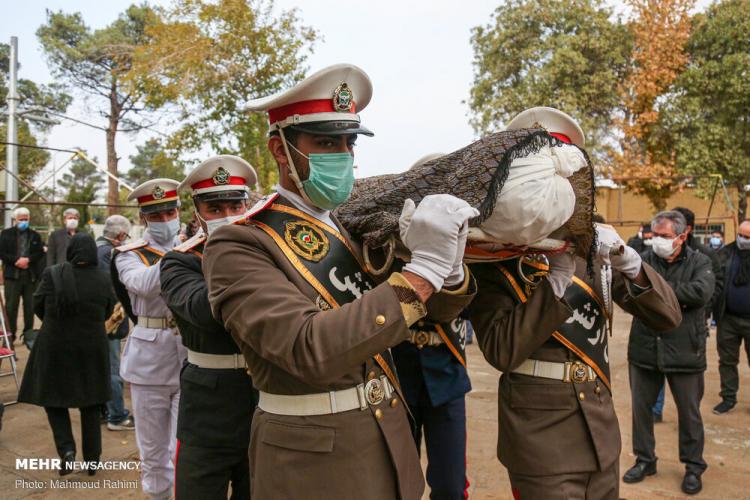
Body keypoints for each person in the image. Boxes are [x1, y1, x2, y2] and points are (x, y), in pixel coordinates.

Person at [204, 64, 477, 500]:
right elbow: (307, 348)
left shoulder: (352, 226)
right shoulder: (239, 244)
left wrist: (450, 264)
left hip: (386, 436)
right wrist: (423, 271)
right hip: (313, 463)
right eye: (326, 141)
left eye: (349, 142)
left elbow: (423, 316)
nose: (343, 154)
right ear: (280, 148)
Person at [466, 107, 681, 500]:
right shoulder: (493, 253)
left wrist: (631, 266)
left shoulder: (589, 245)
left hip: (598, 429)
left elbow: (668, 317)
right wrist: (555, 284)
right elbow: (500, 350)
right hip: (539, 439)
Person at [161, 156, 259, 500]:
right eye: (215, 208)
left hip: (265, 404)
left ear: (248, 204)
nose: (227, 215)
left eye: (235, 204)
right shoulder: (180, 261)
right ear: (198, 212)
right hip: (207, 412)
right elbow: (203, 310)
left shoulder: (273, 252)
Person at [390, 152, 472, 499]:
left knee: (451, 484)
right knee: (397, 480)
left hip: (447, 369)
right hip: (398, 367)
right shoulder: (389, 240)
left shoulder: (467, 242)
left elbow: (460, 307)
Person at [623, 210, 714, 495]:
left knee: (689, 414)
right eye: (655, 236)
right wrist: (669, 295)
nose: (658, 242)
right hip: (645, 348)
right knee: (641, 411)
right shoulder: (642, 261)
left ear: (682, 236)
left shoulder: (700, 262)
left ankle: (693, 467)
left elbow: (700, 293)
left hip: (686, 349)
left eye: (664, 237)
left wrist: (656, 292)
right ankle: (645, 460)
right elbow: (628, 294)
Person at [112, 179, 187, 500]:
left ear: (179, 211)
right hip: (149, 365)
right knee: (154, 451)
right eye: (156, 215)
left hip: (190, 357)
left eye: (170, 212)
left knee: (185, 448)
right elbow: (142, 284)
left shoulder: (192, 244)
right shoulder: (128, 254)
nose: (165, 220)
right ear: (143, 218)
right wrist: (183, 252)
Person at [18, 233, 115, 476]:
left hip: (54, 345)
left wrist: (55, 321)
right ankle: (92, 461)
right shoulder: (104, 278)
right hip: (91, 347)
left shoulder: (53, 273)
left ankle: (67, 451)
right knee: (91, 403)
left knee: (53, 400)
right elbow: (107, 311)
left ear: (71, 251)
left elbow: (37, 304)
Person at [95, 214, 135, 431]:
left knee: (100, 367)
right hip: (109, 321)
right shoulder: (110, 254)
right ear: (120, 235)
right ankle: (117, 416)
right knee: (112, 369)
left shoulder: (93, 249)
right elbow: (112, 292)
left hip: (92, 321)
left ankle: (104, 410)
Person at [711, 219, 750, 415]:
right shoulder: (726, 254)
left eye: (748, 237)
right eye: (741, 235)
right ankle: (728, 398)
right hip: (728, 318)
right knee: (727, 361)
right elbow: (715, 282)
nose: (743, 240)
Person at [0, 207, 46, 346]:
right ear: (15, 220)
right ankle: (10, 336)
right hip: (12, 276)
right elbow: (2, 252)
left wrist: (28, 260)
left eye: (26, 219)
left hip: (30, 277)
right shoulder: (6, 234)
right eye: (21, 219)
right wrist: (16, 260)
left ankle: (28, 335)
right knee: (11, 307)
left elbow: (39, 253)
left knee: (30, 307)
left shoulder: (35, 235)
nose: (24, 222)